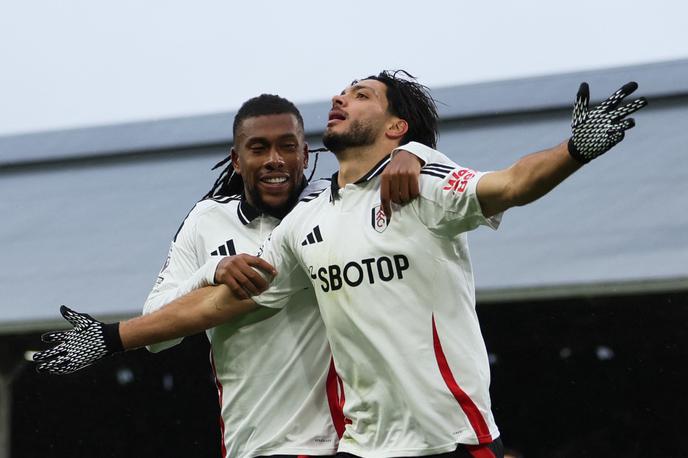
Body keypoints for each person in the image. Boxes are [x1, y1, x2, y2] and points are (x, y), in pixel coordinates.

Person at [35, 71, 646, 458]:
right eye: (341, 91)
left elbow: (511, 183)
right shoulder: (304, 223)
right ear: (236, 155)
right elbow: (225, 302)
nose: (339, 97)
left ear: (394, 126)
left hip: (447, 440)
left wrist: (575, 150)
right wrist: (114, 337)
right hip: (360, 448)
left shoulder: (423, 182)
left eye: (360, 95)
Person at [35, 93, 430, 458]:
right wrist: (213, 272)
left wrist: (414, 152)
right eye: (258, 148)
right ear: (237, 159)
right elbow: (158, 332)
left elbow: (398, 175)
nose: (274, 159)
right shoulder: (207, 220)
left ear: (306, 155)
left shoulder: (333, 207)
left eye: (287, 147)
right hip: (248, 443)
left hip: (340, 440)